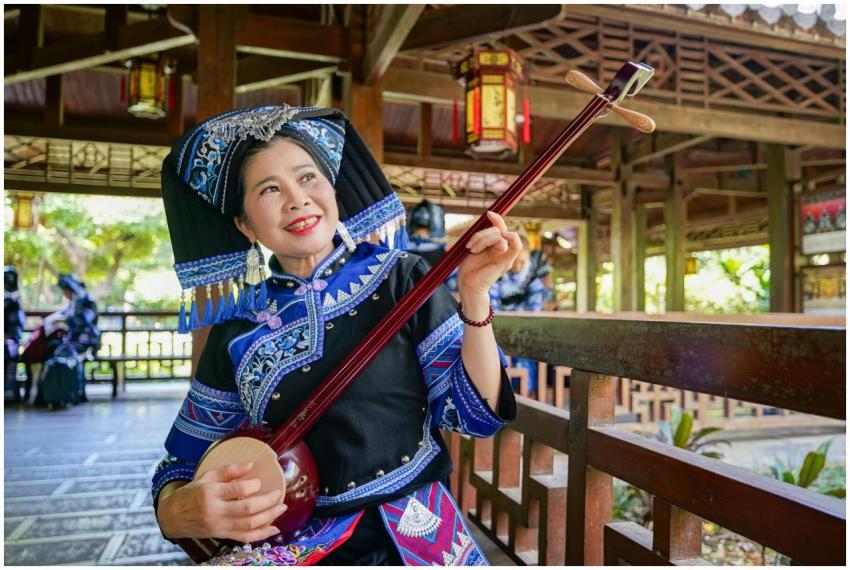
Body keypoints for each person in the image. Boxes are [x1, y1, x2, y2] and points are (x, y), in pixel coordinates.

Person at [153, 105, 520, 565]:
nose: (297, 200)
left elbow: (476, 416)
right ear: (244, 225)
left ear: (331, 188)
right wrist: (175, 511)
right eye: (270, 189)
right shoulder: (237, 329)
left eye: (308, 178)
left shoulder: (403, 278)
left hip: (418, 533)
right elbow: (182, 463)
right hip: (291, 546)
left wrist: (475, 294)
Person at [489, 234, 552, 394]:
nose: (517, 266)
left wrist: (524, 320)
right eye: (514, 261)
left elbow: (536, 303)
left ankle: (527, 393)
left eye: (522, 262)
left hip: (525, 325)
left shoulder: (532, 275)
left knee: (526, 358)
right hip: (499, 325)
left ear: (529, 258)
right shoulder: (497, 273)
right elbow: (492, 303)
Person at [4, 266, 26, 402]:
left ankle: (9, 393)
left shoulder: (12, 300)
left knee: (10, 365)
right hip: (10, 339)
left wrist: (8, 336)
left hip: (11, 340)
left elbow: (16, 324)